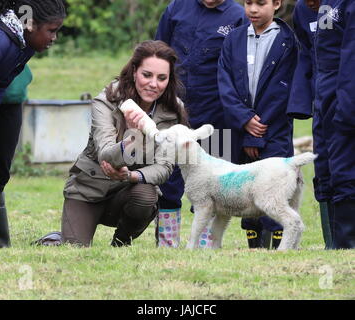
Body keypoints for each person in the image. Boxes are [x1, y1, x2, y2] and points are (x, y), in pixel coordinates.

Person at [57, 40, 188, 247]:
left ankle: (121, 243)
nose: (154, 84)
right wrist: (132, 135)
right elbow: (106, 156)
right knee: (73, 249)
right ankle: (53, 239)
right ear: (135, 71)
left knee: (147, 194)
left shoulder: (173, 111)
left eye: (162, 78)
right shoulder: (106, 100)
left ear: (169, 79)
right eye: (147, 75)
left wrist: (131, 175)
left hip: (128, 190)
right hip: (89, 189)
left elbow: (164, 168)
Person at [155, 0, 247, 248]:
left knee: (215, 183)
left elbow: (240, 70)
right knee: (168, 179)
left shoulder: (238, 16)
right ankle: (167, 244)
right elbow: (158, 54)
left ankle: (207, 245)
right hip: (174, 111)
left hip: (219, 113)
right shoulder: (177, 8)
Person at [218, 0, 298, 249]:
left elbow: (284, 90)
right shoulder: (233, 39)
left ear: (276, 4)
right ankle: (255, 245)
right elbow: (225, 82)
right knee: (246, 189)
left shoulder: (288, 41)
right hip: (242, 128)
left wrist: (258, 132)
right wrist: (244, 120)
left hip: (274, 130)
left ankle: (279, 244)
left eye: (261, 3)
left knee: (273, 189)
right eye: (248, 2)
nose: (253, 9)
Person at [0, 0, 65, 248]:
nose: (54, 37)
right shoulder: (4, 42)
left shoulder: (22, 43)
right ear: (30, 25)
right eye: (51, 30)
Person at [287, 0, 334, 249]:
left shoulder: (343, 6)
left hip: (345, 93)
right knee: (324, 165)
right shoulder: (302, 11)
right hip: (321, 101)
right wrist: (301, 101)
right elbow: (305, 53)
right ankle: (333, 241)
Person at [315, 0, 355, 249]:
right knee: (327, 171)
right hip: (325, 101)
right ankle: (335, 245)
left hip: (344, 104)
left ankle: (347, 247)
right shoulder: (325, 4)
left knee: (345, 173)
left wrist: (347, 109)